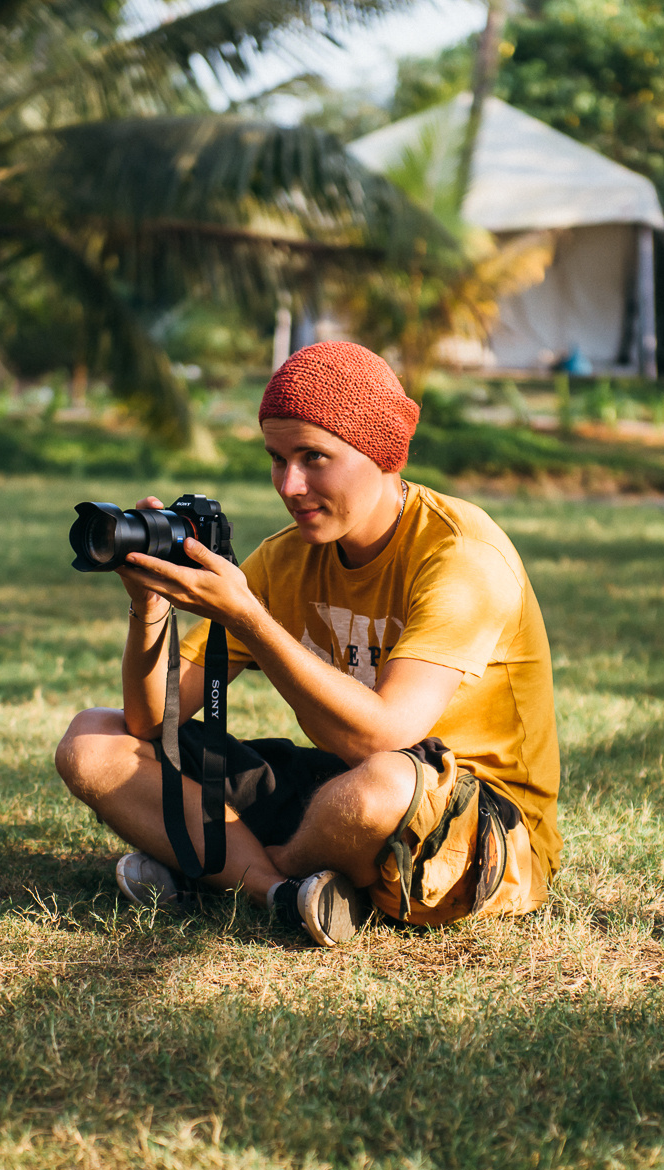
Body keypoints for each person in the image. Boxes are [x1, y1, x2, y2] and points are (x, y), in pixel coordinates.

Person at [54, 341, 559, 946]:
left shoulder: (460, 555)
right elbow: (150, 720)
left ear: (382, 454)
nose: (290, 485)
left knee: (383, 786)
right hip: (339, 792)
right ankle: (283, 893)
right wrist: (148, 606)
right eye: (276, 459)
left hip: (475, 822)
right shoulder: (286, 557)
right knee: (93, 741)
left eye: (314, 457)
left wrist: (250, 620)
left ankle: (222, 871)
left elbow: (385, 736)